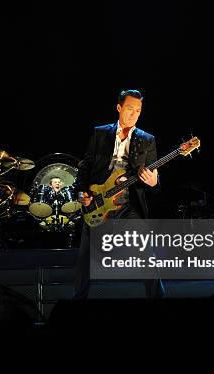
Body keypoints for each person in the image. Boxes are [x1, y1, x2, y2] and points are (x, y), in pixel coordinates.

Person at [73, 89, 165, 299]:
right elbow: (85, 167)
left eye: (138, 111)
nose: (134, 114)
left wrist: (154, 182)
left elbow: (155, 180)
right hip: (98, 200)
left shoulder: (147, 140)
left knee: (147, 257)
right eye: (130, 109)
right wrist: (81, 195)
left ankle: (159, 303)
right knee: (85, 260)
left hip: (128, 204)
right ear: (119, 108)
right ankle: (76, 308)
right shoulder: (100, 133)